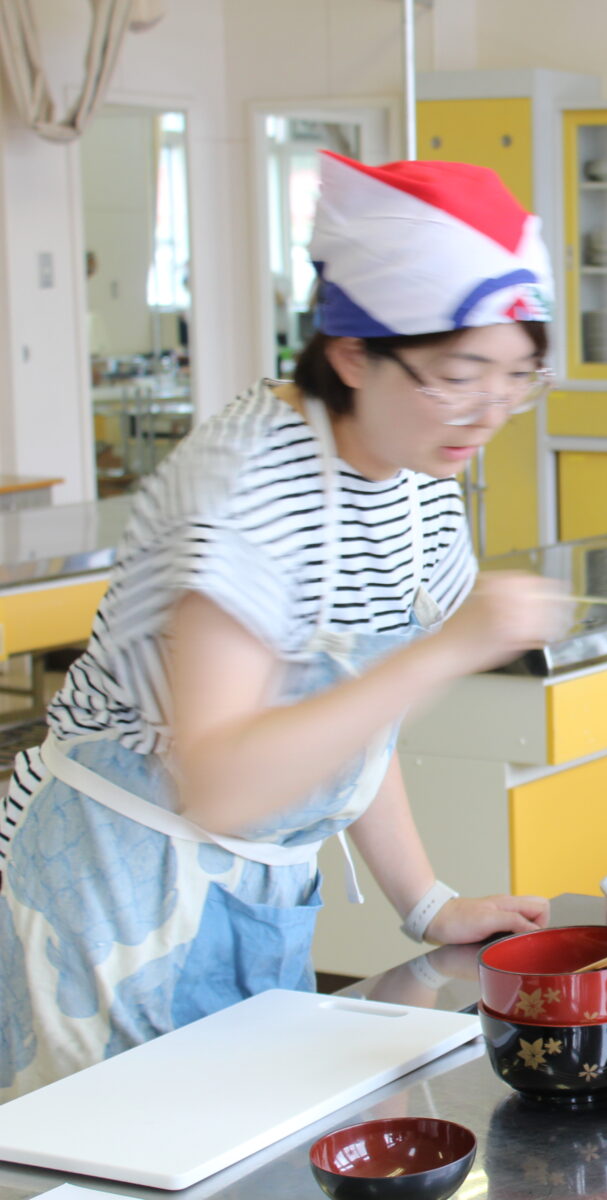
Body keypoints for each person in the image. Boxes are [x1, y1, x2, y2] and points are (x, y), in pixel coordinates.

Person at [0, 152, 571, 1099]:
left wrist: (425, 903)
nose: (493, 410)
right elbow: (221, 780)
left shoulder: (420, 467)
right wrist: (449, 649)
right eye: (460, 374)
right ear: (352, 353)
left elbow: (343, 718)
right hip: (116, 894)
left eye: (517, 377)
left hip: (259, 896)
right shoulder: (246, 482)